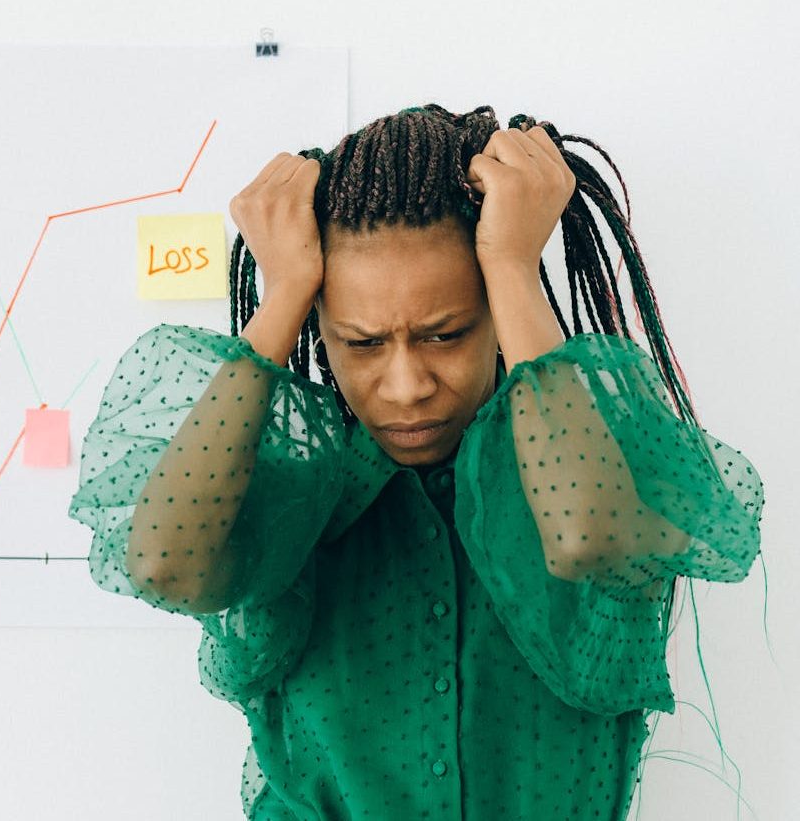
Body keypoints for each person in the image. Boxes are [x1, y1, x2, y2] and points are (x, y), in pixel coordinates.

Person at [66, 104, 764, 820]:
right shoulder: (293, 503)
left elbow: (588, 532)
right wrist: (283, 292)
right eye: (361, 343)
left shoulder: (598, 469)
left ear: (495, 312)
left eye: (444, 333)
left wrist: (512, 263)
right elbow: (160, 562)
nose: (405, 387)